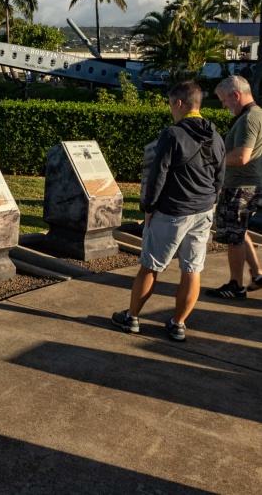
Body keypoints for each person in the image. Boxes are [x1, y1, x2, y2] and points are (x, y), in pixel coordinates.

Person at [112, 81, 225, 341]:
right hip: (203, 211)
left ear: (179, 103)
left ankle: (132, 317)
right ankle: (178, 324)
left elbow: (157, 175)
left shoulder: (172, 134)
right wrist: (210, 201)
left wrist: (149, 208)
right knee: (192, 269)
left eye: (171, 104)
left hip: (173, 211)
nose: (171, 110)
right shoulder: (215, 136)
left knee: (150, 267)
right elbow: (220, 177)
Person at [207, 74, 262, 298]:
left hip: (240, 186)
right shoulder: (257, 114)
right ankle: (257, 274)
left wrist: (211, 160)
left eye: (224, 100)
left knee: (232, 237)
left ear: (236, 95)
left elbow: (241, 157)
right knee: (240, 231)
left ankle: (236, 285)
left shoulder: (249, 118)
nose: (224, 105)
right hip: (249, 185)